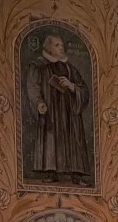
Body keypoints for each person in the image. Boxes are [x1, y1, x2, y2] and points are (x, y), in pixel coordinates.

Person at [25, 33, 91, 185]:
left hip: (69, 112)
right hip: (51, 110)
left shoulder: (69, 68)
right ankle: (51, 171)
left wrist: (72, 86)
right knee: (51, 138)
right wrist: (39, 103)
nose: (61, 48)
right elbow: (32, 87)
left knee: (73, 139)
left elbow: (84, 89)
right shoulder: (38, 65)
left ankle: (76, 174)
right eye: (57, 45)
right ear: (48, 48)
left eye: (62, 45)